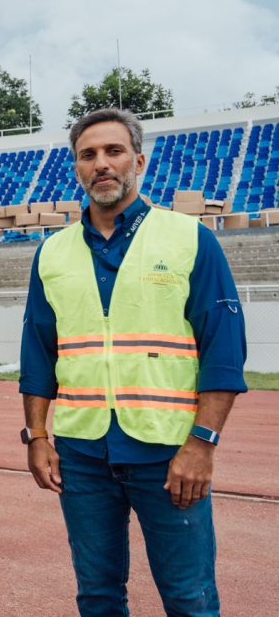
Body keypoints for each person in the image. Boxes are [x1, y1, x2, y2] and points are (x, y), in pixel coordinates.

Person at [19, 108, 246, 616]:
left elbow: (224, 355)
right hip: (81, 455)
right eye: (88, 155)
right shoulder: (51, 253)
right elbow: (38, 352)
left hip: (169, 453)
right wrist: (37, 436)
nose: (101, 163)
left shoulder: (190, 240)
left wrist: (202, 444)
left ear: (138, 161)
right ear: (76, 167)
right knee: (97, 597)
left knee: (189, 598)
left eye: (113, 151)